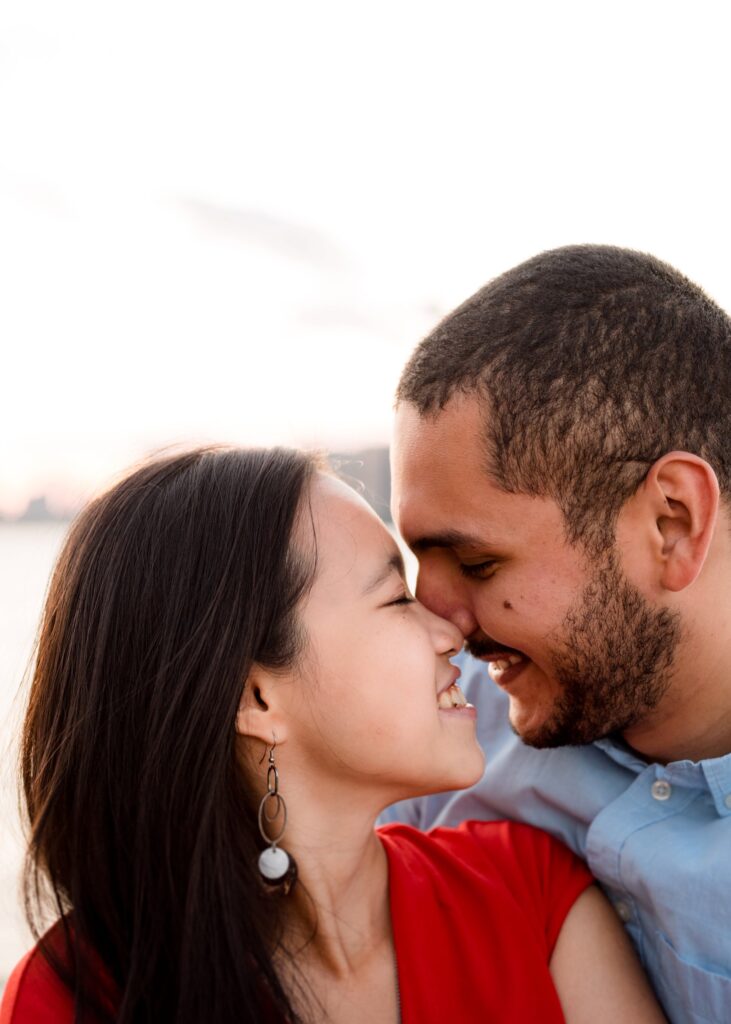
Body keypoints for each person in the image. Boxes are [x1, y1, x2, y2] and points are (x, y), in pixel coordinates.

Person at [0, 447, 664, 1024]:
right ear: (256, 697)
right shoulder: (74, 999)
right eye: (396, 599)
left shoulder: (532, 899)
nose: (451, 632)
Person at [385, 244, 731, 1024]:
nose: (433, 621)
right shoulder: (441, 734)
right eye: (415, 562)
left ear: (672, 522)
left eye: (476, 561)